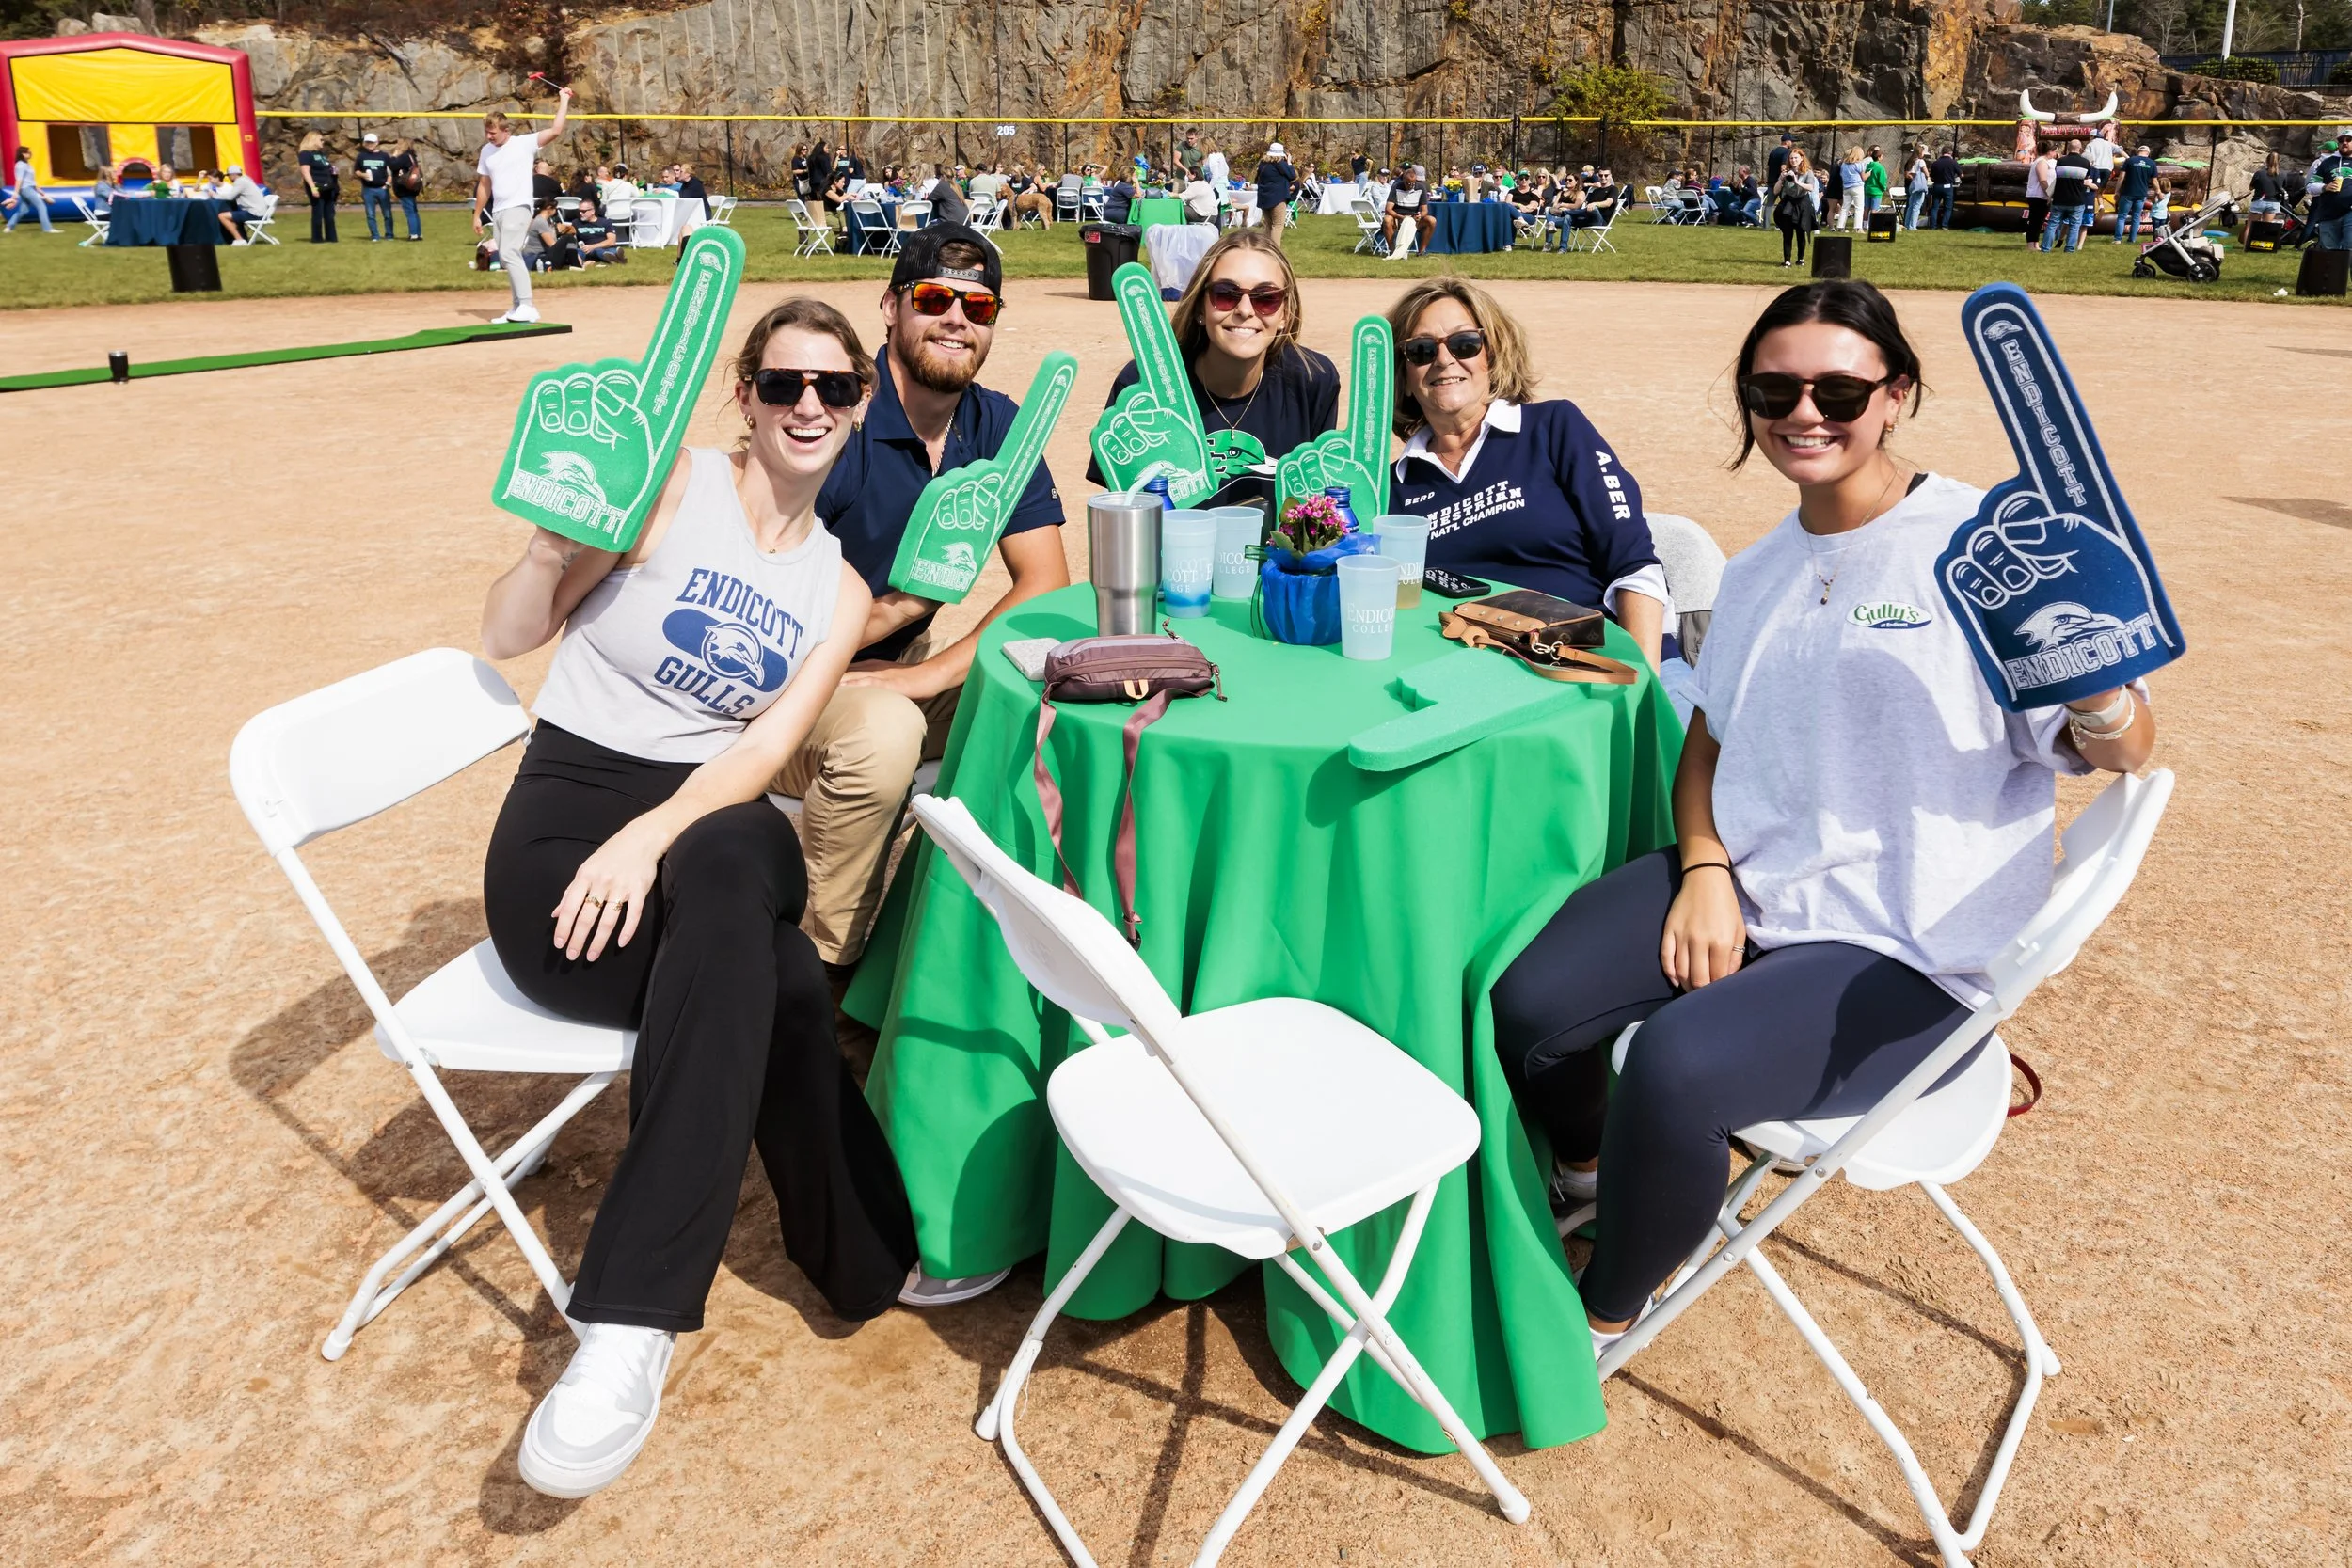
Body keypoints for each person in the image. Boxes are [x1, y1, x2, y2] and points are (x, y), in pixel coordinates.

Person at [1487, 278, 2156, 1359]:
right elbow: (1704, 739)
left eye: (1839, 389)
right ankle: (1599, 1169)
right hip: (1750, 885)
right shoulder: (1755, 572)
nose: (1806, 412)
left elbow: (2121, 748)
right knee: (1528, 1002)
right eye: (1775, 387)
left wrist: (2098, 683)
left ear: (1895, 394)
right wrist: (1704, 864)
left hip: (1906, 944)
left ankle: (1600, 1312)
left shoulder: (1984, 549)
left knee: (1673, 1062)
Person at [480, 296, 921, 1498]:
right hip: (566, 814)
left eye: (834, 387)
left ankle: (628, 1322)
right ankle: (865, 1255)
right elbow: (510, 635)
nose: (810, 406)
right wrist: (546, 545)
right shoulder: (663, 487)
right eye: (785, 384)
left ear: (861, 402)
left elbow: (766, 744)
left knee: (729, 867)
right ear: (747, 393)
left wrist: (655, 834)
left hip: (713, 813)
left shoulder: (836, 587)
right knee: (769, 973)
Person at [778, 225, 1068, 994]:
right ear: (890, 307)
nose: (957, 319)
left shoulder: (998, 427)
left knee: (1063, 695)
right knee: (886, 731)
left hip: (897, 667)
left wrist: (927, 671)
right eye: (935, 298)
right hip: (784, 679)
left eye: (979, 306)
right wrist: (893, 627)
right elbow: (763, 600)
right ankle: (816, 984)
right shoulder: (835, 413)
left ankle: (980, 967)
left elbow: (1044, 585)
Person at [1384, 276, 1666, 670]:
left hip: (1593, 661)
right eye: (1422, 350)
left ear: (1492, 355)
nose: (1444, 360)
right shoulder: (1391, 486)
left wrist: (1641, 683)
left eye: (1465, 343)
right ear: (1405, 374)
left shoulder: (1554, 428)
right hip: (1468, 671)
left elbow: (1634, 564)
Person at [1088, 229, 1338, 510]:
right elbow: (1125, 516)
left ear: (1285, 314)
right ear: (1199, 308)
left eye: (1266, 297)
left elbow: (1315, 509)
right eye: (1225, 294)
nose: (1245, 309)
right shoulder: (1144, 384)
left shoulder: (1312, 380)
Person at [475, 91, 572, 325]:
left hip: (519, 207)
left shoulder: (523, 144)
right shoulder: (486, 151)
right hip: (497, 210)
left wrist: (564, 100)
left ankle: (527, 305)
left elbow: (556, 130)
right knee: (507, 258)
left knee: (509, 253)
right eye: (487, 132)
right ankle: (518, 306)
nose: (489, 136)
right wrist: (477, 215)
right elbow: (484, 185)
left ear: (506, 130)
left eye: (493, 132)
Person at [2041, 137, 2092, 253]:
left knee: (2052, 224)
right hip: (2077, 199)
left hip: (2059, 198)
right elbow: (2086, 179)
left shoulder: (2061, 161)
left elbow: (2057, 176)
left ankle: (2045, 248)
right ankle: (2069, 248)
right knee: (2074, 226)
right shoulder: (2085, 163)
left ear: (2068, 148)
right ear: (2080, 148)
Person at [1771, 149, 1820, 267]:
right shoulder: (1787, 172)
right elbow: (1776, 190)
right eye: (1791, 158)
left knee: (1800, 231)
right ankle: (1787, 260)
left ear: (1801, 158)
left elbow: (1811, 187)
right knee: (1787, 233)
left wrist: (1797, 181)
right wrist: (1781, 179)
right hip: (1788, 202)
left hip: (1802, 203)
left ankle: (1800, 259)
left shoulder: (1808, 172)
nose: (1793, 160)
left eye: (1796, 158)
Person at [2311, 132, 2352, 252]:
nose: (2344, 142)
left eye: (2348, 140)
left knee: (2350, 248)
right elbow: (2310, 186)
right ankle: (2334, 272)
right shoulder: (2327, 162)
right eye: (2341, 140)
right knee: (2330, 253)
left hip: (2350, 212)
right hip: (2328, 214)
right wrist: (2325, 187)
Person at [1383, 164, 1434, 255]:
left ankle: (1421, 251)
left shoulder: (1421, 188)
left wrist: (1420, 215)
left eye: (1413, 183)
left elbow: (1425, 210)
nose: (1411, 185)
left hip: (1414, 220)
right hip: (1398, 218)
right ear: (1404, 180)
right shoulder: (1396, 187)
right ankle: (1393, 251)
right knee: (1387, 219)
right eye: (1408, 183)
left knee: (1432, 220)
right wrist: (1402, 217)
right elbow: (1388, 209)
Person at [296, 132, 338, 243]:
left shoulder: (321, 154)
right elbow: (305, 172)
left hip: (328, 186)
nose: (323, 142)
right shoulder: (305, 154)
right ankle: (317, 238)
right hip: (316, 185)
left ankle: (331, 238)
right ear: (313, 140)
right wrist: (313, 188)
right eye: (321, 139)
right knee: (318, 212)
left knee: (329, 213)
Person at [2116, 144, 2162, 244]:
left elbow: (2121, 177)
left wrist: (2117, 191)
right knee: (2136, 217)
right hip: (2142, 194)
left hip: (2128, 192)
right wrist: (2158, 192)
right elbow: (2154, 181)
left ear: (2138, 152)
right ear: (2148, 153)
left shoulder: (2130, 160)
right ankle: (2132, 239)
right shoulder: (2152, 163)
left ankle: (2118, 239)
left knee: (2122, 216)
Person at [1255, 140, 1297, 246]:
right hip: (1277, 198)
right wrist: (1289, 163)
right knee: (1277, 225)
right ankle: (1274, 250)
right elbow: (1292, 175)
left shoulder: (1262, 165)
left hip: (1264, 198)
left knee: (1269, 225)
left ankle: (1265, 247)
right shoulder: (1280, 164)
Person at [4, 145, 55, 234]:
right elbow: (19, 180)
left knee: (24, 210)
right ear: (23, 154)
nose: (31, 154)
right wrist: (15, 194)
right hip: (25, 188)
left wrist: (40, 191)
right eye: (28, 152)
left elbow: (31, 180)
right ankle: (47, 229)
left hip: (29, 188)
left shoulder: (27, 164)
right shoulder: (20, 165)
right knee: (41, 206)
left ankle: (9, 227)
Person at [355, 133, 395, 241]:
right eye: (367, 142)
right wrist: (363, 175)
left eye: (372, 142)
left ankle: (389, 235)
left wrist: (387, 185)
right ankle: (375, 235)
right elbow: (356, 171)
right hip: (368, 189)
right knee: (370, 214)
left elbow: (391, 172)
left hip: (382, 189)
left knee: (387, 214)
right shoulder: (361, 156)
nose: (370, 144)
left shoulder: (384, 156)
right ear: (364, 143)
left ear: (377, 143)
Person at [215, 165, 270, 244]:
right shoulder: (246, 180)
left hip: (255, 214)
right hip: (260, 212)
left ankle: (239, 239)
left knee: (222, 216)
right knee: (233, 215)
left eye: (229, 175)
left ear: (233, 174)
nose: (228, 178)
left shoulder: (240, 182)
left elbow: (230, 197)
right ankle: (240, 237)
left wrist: (215, 195)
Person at [523, 197, 576, 269]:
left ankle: (575, 263)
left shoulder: (547, 221)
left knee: (578, 252)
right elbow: (552, 245)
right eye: (555, 209)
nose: (556, 211)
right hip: (535, 257)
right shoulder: (541, 222)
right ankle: (576, 265)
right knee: (569, 238)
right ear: (549, 208)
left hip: (544, 255)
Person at [571, 195, 625, 265]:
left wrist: (592, 246)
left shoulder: (605, 222)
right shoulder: (576, 223)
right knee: (577, 252)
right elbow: (570, 238)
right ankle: (616, 257)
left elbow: (612, 241)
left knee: (600, 251)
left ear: (592, 211)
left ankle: (614, 256)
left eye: (583, 211)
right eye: (579, 211)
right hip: (586, 250)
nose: (580, 213)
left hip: (604, 248)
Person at [389, 137, 424, 239]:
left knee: (409, 212)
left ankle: (413, 234)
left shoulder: (404, 157)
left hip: (404, 188)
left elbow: (393, 165)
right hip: (412, 187)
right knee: (414, 211)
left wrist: (394, 156)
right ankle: (418, 233)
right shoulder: (412, 156)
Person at [2024, 145, 2055, 248]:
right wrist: (2049, 193)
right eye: (2054, 151)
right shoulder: (2041, 162)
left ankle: (2035, 243)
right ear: (2049, 151)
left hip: (2041, 196)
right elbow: (2043, 180)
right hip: (2037, 195)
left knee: (2039, 221)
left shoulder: (2044, 162)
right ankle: (2030, 244)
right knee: (2035, 220)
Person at [1927, 144, 1960, 230]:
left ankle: (1933, 226)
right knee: (1948, 207)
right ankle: (1944, 225)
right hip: (1948, 187)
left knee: (1935, 207)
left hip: (1937, 186)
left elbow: (1932, 177)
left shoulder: (1935, 163)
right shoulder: (1953, 162)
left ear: (1942, 153)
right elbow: (1962, 174)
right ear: (1950, 153)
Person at [1835, 148, 1866, 230]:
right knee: (1859, 207)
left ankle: (1840, 226)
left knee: (1845, 207)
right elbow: (1864, 177)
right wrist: (1869, 172)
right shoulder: (1859, 164)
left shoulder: (1844, 164)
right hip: (1857, 187)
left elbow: (1842, 175)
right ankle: (1858, 227)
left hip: (1846, 187)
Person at [1903, 145, 1929, 230]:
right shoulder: (1921, 161)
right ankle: (1912, 226)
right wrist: (1926, 175)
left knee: (1911, 205)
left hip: (1912, 185)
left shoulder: (1911, 161)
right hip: (1919, 186)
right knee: (1917, 205)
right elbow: (1926, 173)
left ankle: (1907, 224)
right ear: (1920, 153)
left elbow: (1908, 174)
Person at [1863, 144, 1889, 217]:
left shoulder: (1869, 165)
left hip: (1868, 190)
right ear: (1879, 157)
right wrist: (1883, 188)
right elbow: (1882, 180)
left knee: (1866, 209)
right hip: (1876, 192)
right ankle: (1872, 225)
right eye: (1882, 156)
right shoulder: (1880, 167)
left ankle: (1864, 224)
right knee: (1874, 209)